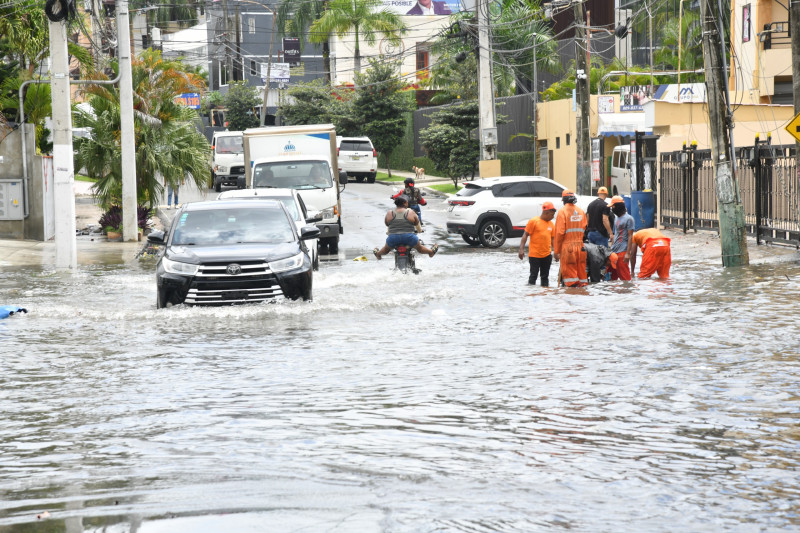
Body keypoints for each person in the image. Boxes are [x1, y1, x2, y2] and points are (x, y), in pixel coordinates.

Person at [373, 195, 439, 260]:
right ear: (405, 203)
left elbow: (387, 224)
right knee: (420, 248)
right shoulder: (410, 212)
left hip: (393, 238)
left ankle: (378, 254)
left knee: (386, 249)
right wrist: (419, 231)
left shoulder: (389, 213)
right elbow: (416, 223)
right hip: (409, 238)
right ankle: (431, 252)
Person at [553, 189, 588, 287]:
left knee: (571, 280)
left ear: (563, 200)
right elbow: (585, 228)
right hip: (581, 248)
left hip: (568, 249)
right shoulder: (580, 211)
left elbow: (559, 233)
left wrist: (556, 251)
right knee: (582, 279)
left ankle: (571, 298)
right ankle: (582, 296)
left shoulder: (562, 212)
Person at [517, 202, 556, 286]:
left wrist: (556, 252)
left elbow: (553, 239)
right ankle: (532, 295)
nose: (553, 217)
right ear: (546, 213)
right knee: (533, 276)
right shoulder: (534, 221)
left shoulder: (551, 224)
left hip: (547, 255)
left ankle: (545, 295)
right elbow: (525, 235)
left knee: (545, 277)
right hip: (534, 255)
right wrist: (521, 249)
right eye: (552, 215)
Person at [609, 195, 634, 280]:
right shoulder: (616, 218)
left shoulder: (629, 219)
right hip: (614, 252)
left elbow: (630, 236)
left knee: (625, 278)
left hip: (622, 252)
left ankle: (627, 292)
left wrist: (628, 253)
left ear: (617, 207)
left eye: (613, 206)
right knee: (610, 278)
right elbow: (615, 234)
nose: (612, 209)